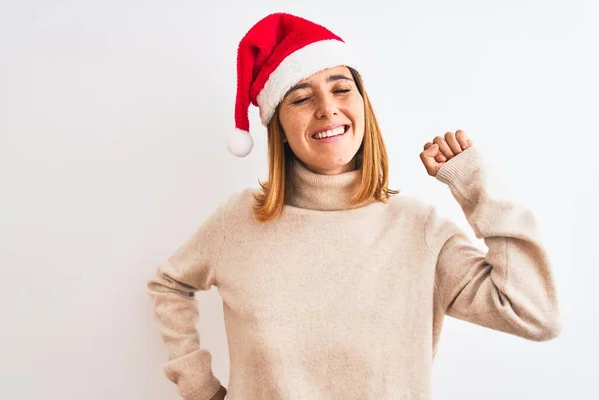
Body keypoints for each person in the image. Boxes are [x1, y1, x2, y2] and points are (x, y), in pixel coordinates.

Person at [146, 12, 561, 400]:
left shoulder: (420, 231)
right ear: (281, 129)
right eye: (300, 98)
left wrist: (474, 184)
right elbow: (170, 284)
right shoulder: (239, 221)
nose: (327, 107)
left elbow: (534, 313)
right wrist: (199, 385)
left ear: (363, 106)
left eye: (341, 89)